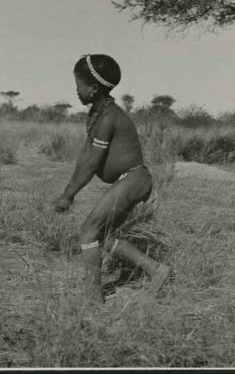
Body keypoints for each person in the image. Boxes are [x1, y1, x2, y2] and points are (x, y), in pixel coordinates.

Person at [54, 54, 170, 304]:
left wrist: (68, 195)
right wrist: (70, 189)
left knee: (88, 231)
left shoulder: (108, 117)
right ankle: (156, 270)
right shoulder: (98, 114)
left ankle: (93, 298)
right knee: (102, 235)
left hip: (134, 179)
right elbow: (86, 159)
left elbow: (92, 163)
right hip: (131, 180)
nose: (76, 90)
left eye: (79, 85)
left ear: (93, 88)